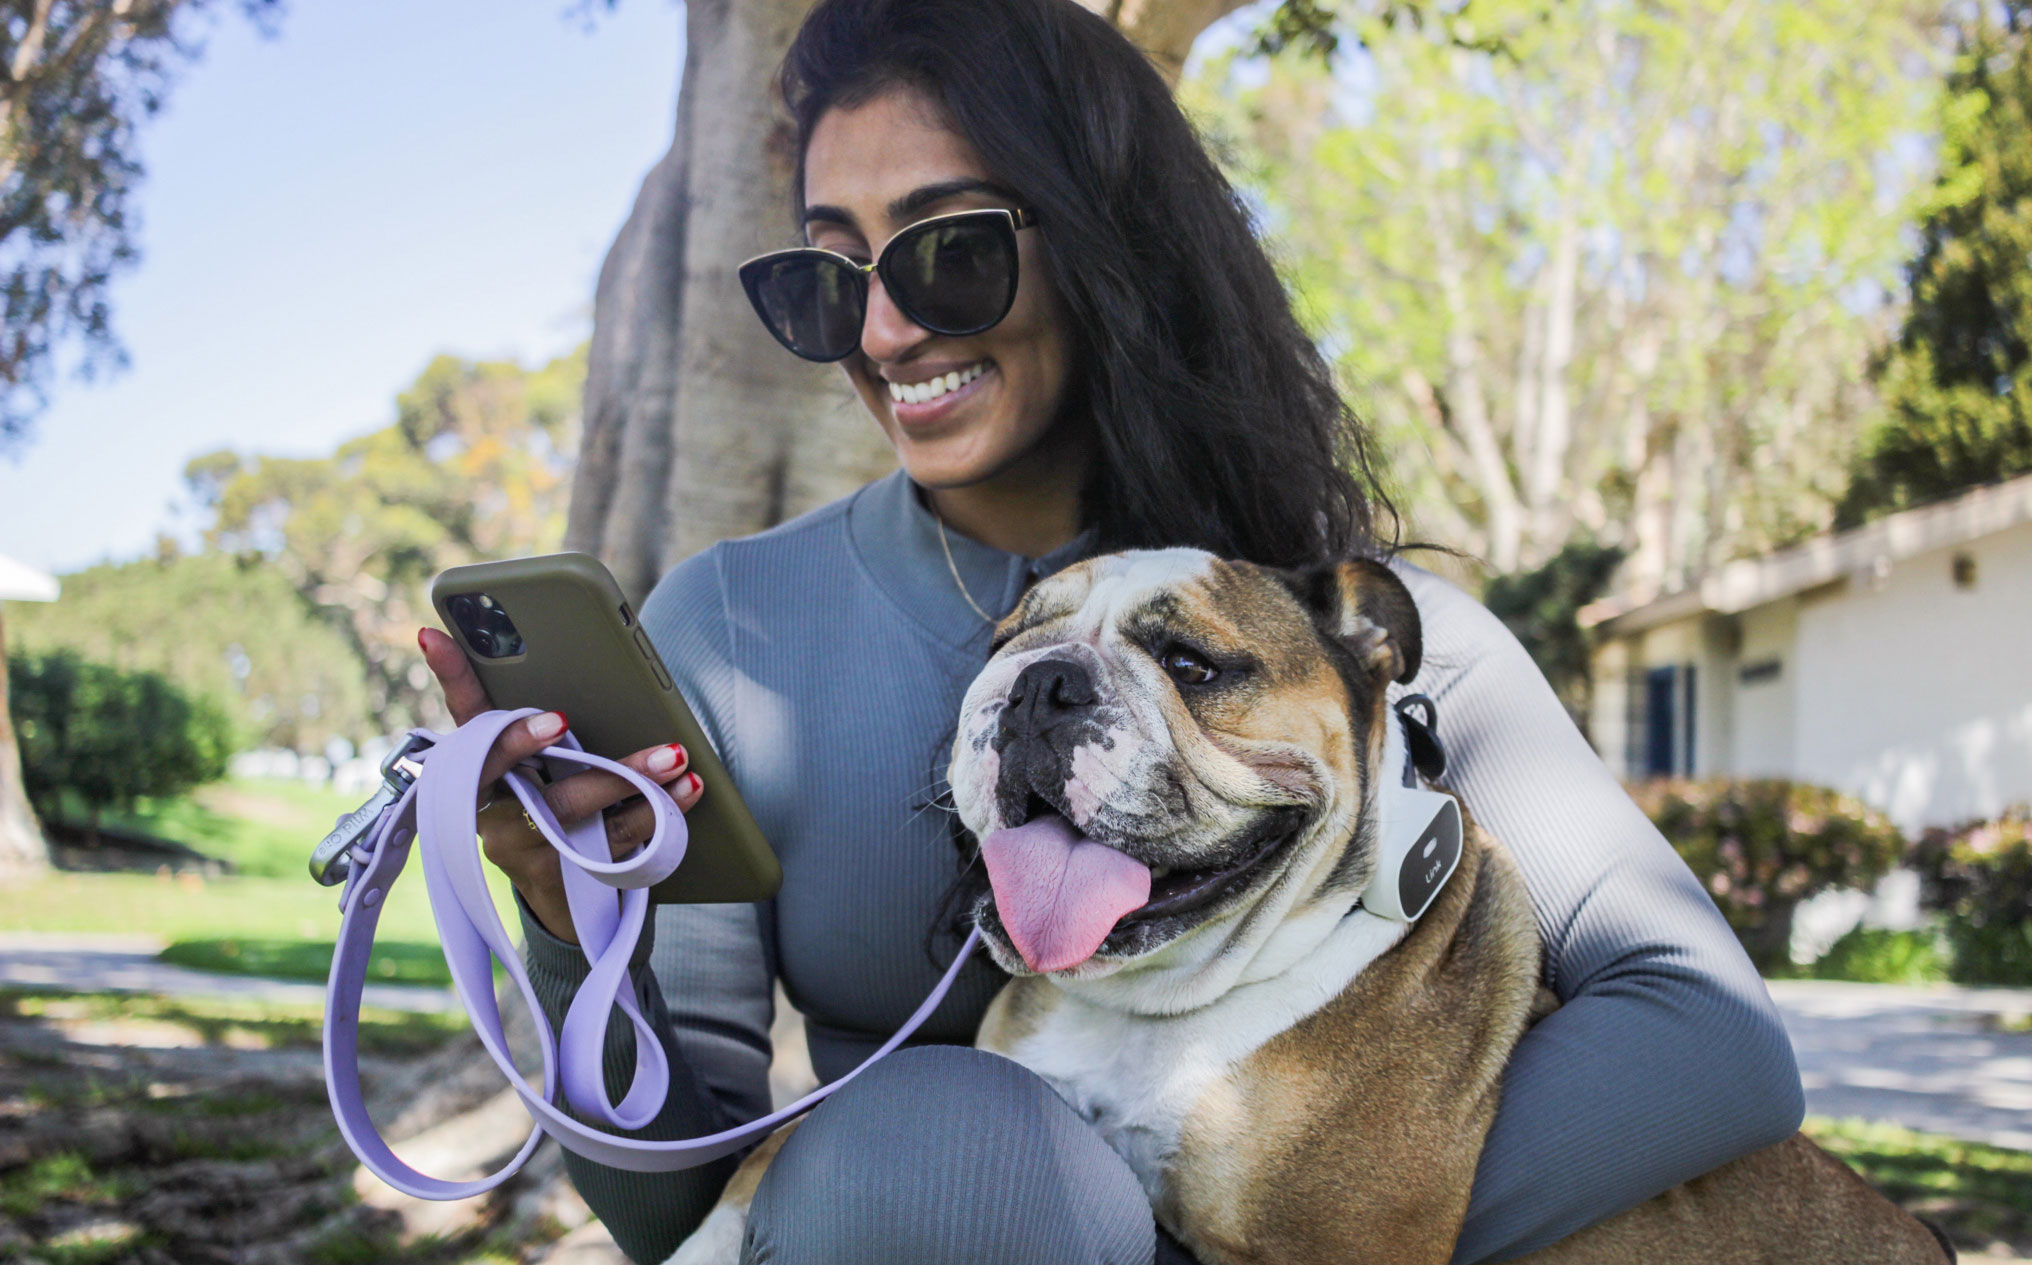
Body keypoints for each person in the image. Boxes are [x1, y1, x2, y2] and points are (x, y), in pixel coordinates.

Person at [418, 0, 1804, 1261]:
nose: (887, 331)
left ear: (1097, 238)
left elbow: (1712, 1041)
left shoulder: (1361, 639)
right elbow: (675, 1210)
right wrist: (565, 917)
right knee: (931, 1143)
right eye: (826, 281)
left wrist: (1309, 1229)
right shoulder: (727, 627)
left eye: (946, 251)